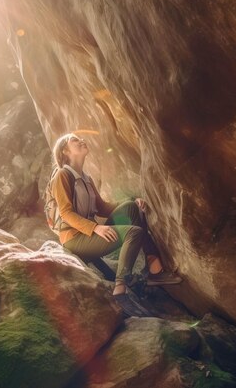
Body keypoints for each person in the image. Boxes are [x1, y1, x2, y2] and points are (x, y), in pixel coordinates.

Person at [50, 132, 182, 313]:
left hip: (90, 234)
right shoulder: (62, 175)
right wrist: (95, 228)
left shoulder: (86, 178)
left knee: (130, 207)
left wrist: (132, 201)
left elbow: (103, 207)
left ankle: (153, 271)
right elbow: (66, 214)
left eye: (80, 138)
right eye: (75, 140)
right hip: (74, 239)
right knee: (133, 232)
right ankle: (120, 289)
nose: (81, 140)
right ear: (65, 151)